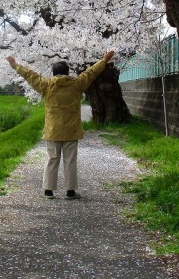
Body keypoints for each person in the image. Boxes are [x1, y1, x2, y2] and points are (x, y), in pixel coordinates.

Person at [6, 51, 115, 200]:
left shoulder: (46, 85)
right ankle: (70, 191)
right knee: (70, 160)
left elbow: (30, 75)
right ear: (67, 72)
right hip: (71, 129)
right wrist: (104, 60)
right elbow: (91, 73)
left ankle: (48, 191)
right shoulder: (76, 84)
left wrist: (15, 65)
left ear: (53, 73)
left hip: (53, 130)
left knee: (52, 159)